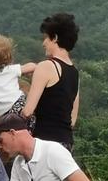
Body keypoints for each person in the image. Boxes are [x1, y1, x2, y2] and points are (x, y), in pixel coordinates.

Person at [21, 13, 80, 152]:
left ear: (55, 38)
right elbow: (72, 120)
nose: (44, 43)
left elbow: (27, 111)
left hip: (44, 144)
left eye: (46, 38)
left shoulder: (46, 66)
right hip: (66, 145)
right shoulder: (75, 72)